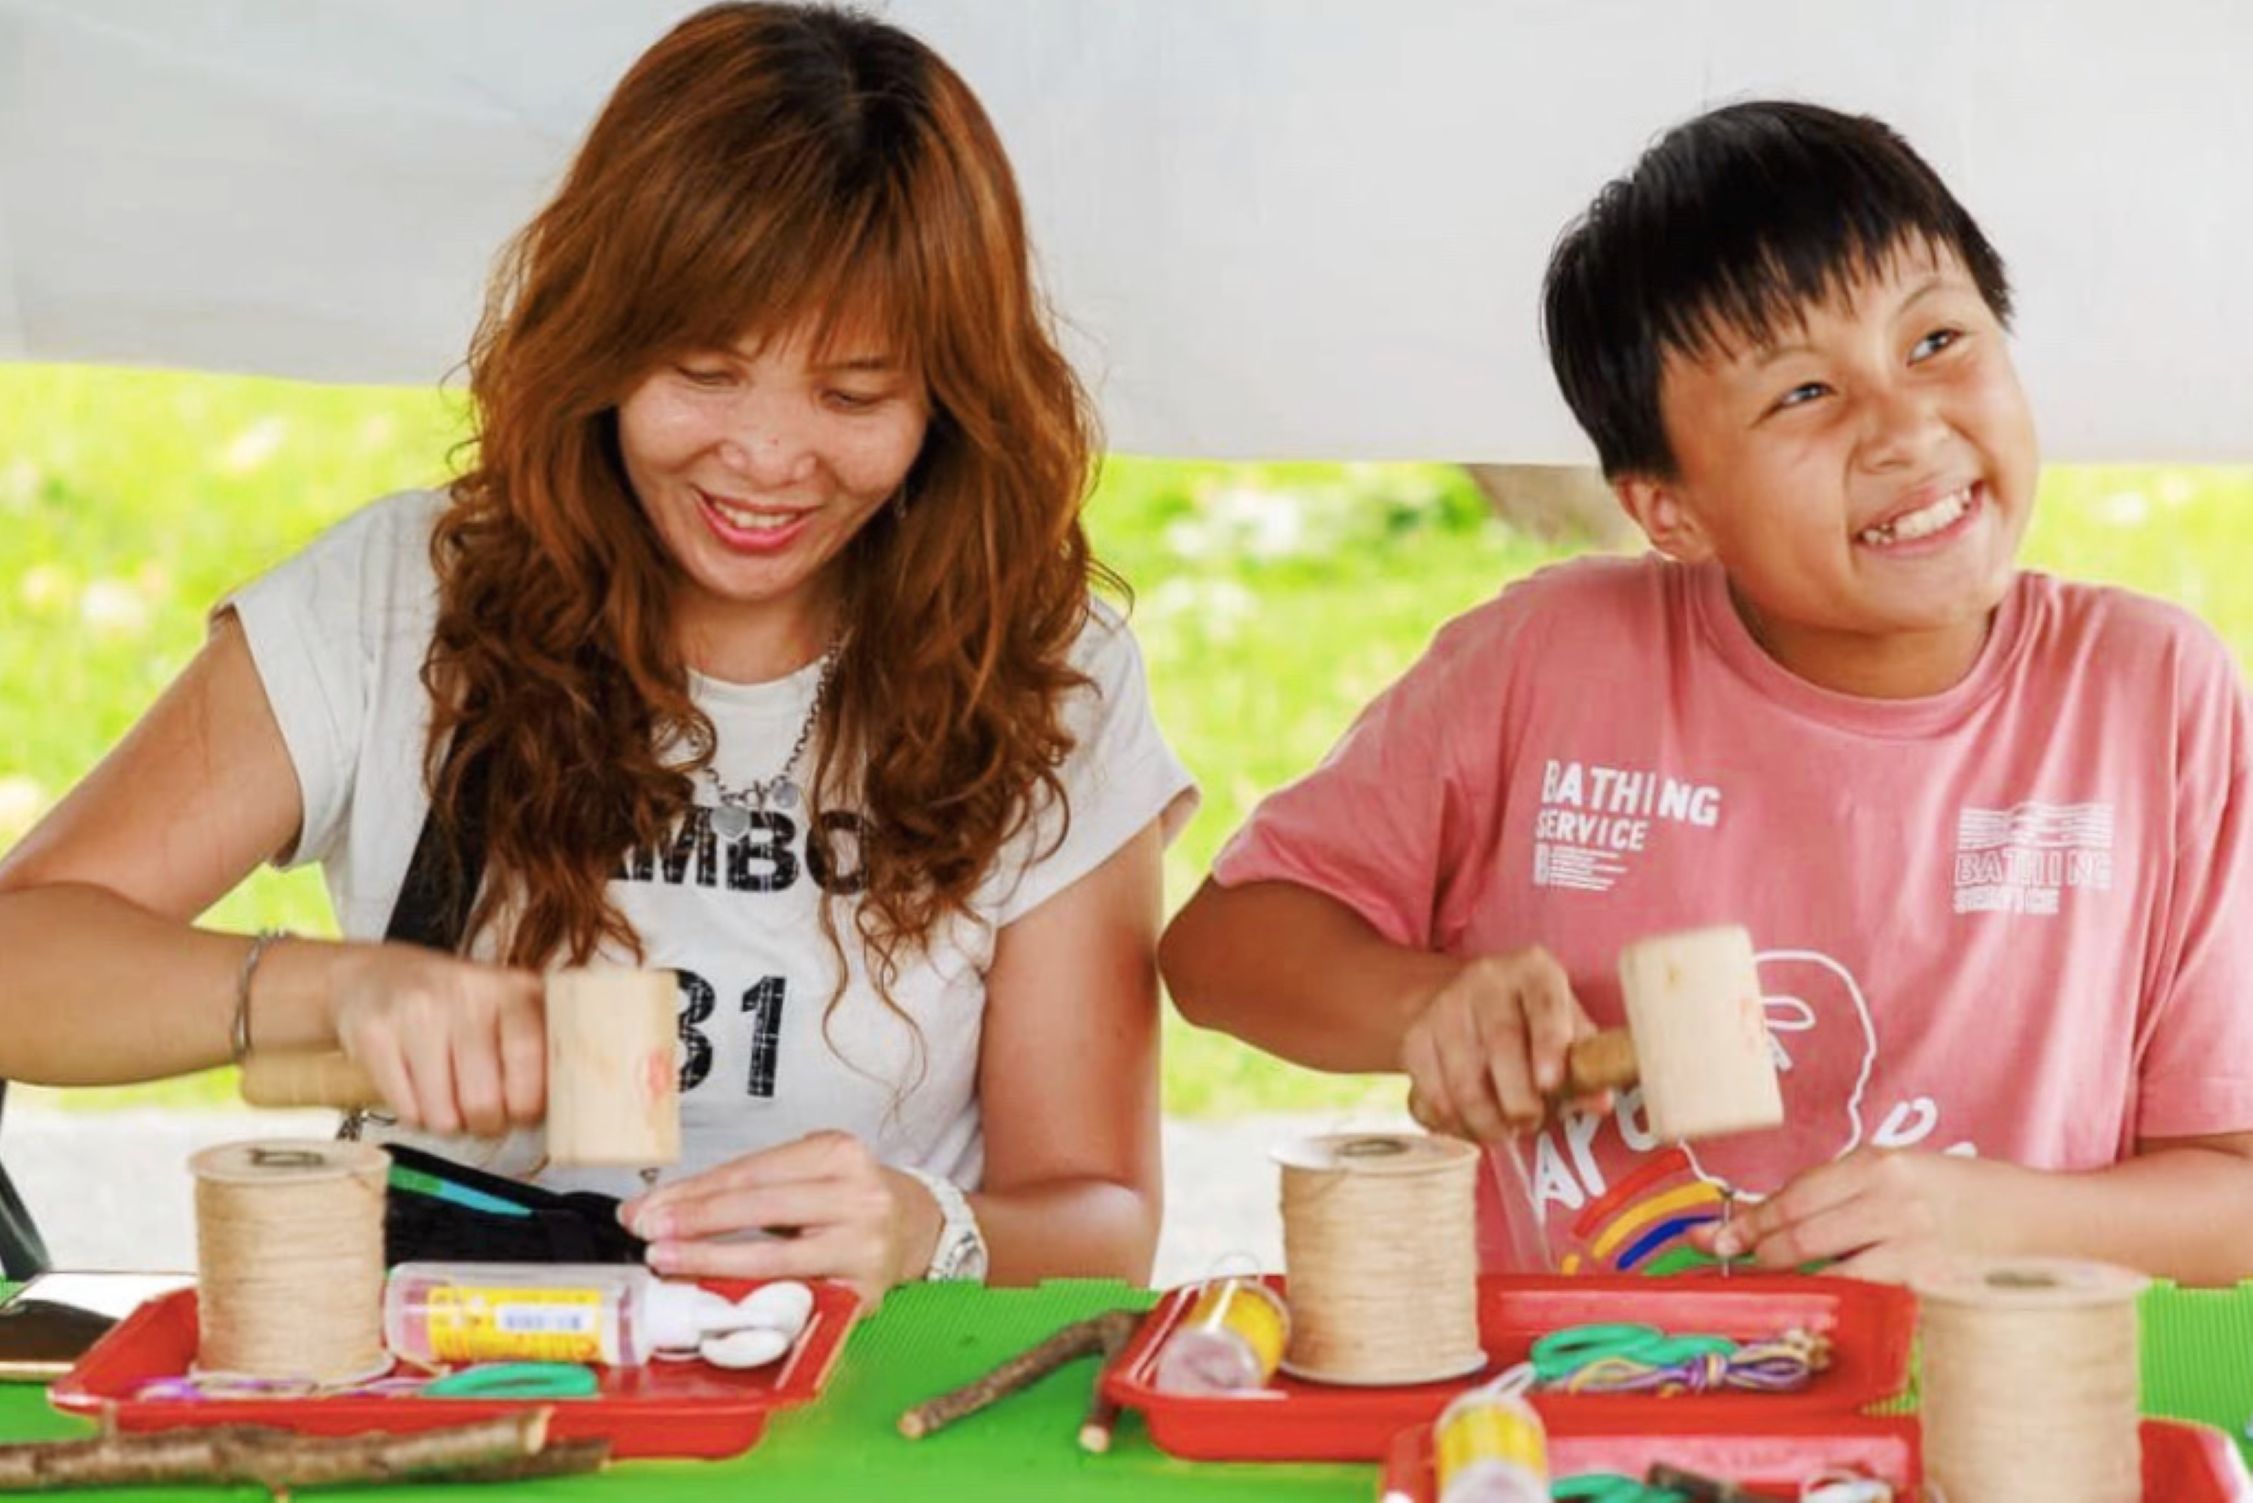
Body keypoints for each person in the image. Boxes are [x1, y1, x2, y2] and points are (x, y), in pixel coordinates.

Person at [0, 2, 1195, 1306]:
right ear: (600, 350)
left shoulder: (1039, 668)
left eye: (854, 396)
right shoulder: (404, 605)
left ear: (948, 403)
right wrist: (317, 996)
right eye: (705, 371)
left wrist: (926, 1224)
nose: (770, 456)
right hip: (468, 1369)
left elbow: (1098, 1216)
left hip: (856, 1387)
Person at [1162, 101, 2253, 1285]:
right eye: (1802, 395)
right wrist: (1427, 1004)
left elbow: (2232, 1193)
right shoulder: (1547, 662)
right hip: (1582, 1405)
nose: (1905, 427)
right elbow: (1220, 953)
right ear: (1668, 510)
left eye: (1937, 341)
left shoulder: (2152, 696)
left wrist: (2007, 1222)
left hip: (1989, 1414)